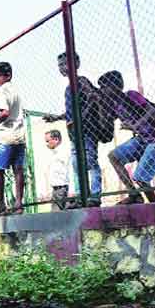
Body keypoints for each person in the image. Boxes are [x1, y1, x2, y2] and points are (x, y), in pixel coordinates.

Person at [99, 71, 155, 204]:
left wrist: (135, 125)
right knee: (114, 156)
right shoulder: (114, 105)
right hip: (142, 139)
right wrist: (99, 103)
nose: (103, 90)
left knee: (141, 177)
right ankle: (134, 195)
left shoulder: (131, 95)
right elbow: (105, 124)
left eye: (105, 87)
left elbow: (152, 111)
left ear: (115, 86)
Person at [43, 53, 109, 208]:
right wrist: (56, 118)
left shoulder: (81, 81)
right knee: (76, 165)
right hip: (74, 134)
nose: (63, 67)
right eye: (60, 65)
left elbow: (94, 99)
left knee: (90, 162)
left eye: (66, 63)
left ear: (76, 63)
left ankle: (95, 196)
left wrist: (80, 118)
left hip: (87, 131)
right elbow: (72, 113)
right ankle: (81, 197)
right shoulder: (68, 87)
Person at [0, 62, 26, 215]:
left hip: (4, 136)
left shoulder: (2, 91)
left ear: (8, 75)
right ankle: (19, 203)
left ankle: (0, 204)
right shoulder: (16, 90)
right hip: (19, 135)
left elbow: (5, 113)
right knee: (18, 170)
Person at [45, 130, 70, 211]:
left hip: (61, 188)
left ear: (56, 139)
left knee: (57, 213)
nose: (46, 144)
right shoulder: (54, 153)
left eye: (48, 141)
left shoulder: (62, 152)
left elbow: (69, 170)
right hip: (56, 188)